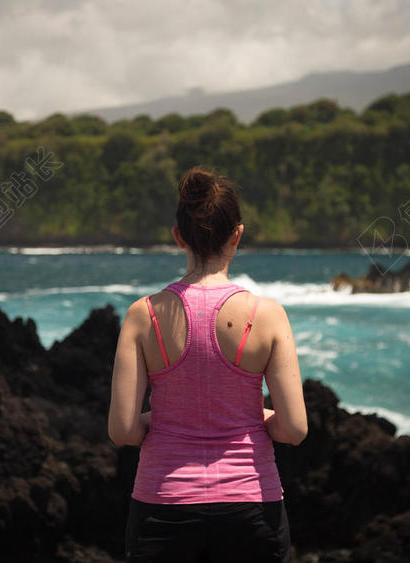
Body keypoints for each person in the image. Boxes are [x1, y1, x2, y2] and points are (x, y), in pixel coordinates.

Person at [108, 165, 308, 562]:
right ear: (237, 235)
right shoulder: (267, 315)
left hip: (162, 507)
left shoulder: (142, 315)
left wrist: (167, 418)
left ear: (178, 236)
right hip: (251, 508)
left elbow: (123, 431)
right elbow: (294, 429)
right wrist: (255, 415)